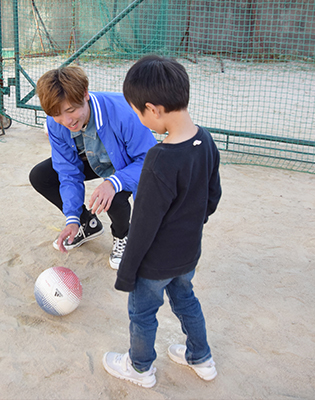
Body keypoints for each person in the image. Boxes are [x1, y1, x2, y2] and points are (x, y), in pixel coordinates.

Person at [102, 55, 222, 388]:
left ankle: (139, 368)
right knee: (186, 300)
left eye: (138, 113)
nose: (140, 120)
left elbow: (143, 225)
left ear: (153, 109)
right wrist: (192, 226)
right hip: (187, 255)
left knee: (142, 314)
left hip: (154, 264)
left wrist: (127, 272)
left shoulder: (158, 159)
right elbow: (213, 196)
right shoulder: (206, 140)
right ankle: (202, 358)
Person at [29, 66, 157, 269]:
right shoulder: (56, 123)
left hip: (124, 162)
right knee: (40, 176)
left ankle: (124, 236)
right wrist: (72, 217)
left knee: (111, 196)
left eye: (71, 110)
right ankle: (86, 224)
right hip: (90, 158)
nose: (67, 121)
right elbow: (67, 171)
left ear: (85, 95)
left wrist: (115, 182)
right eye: (57, 114)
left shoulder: (124, 112)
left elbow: (150, 160)